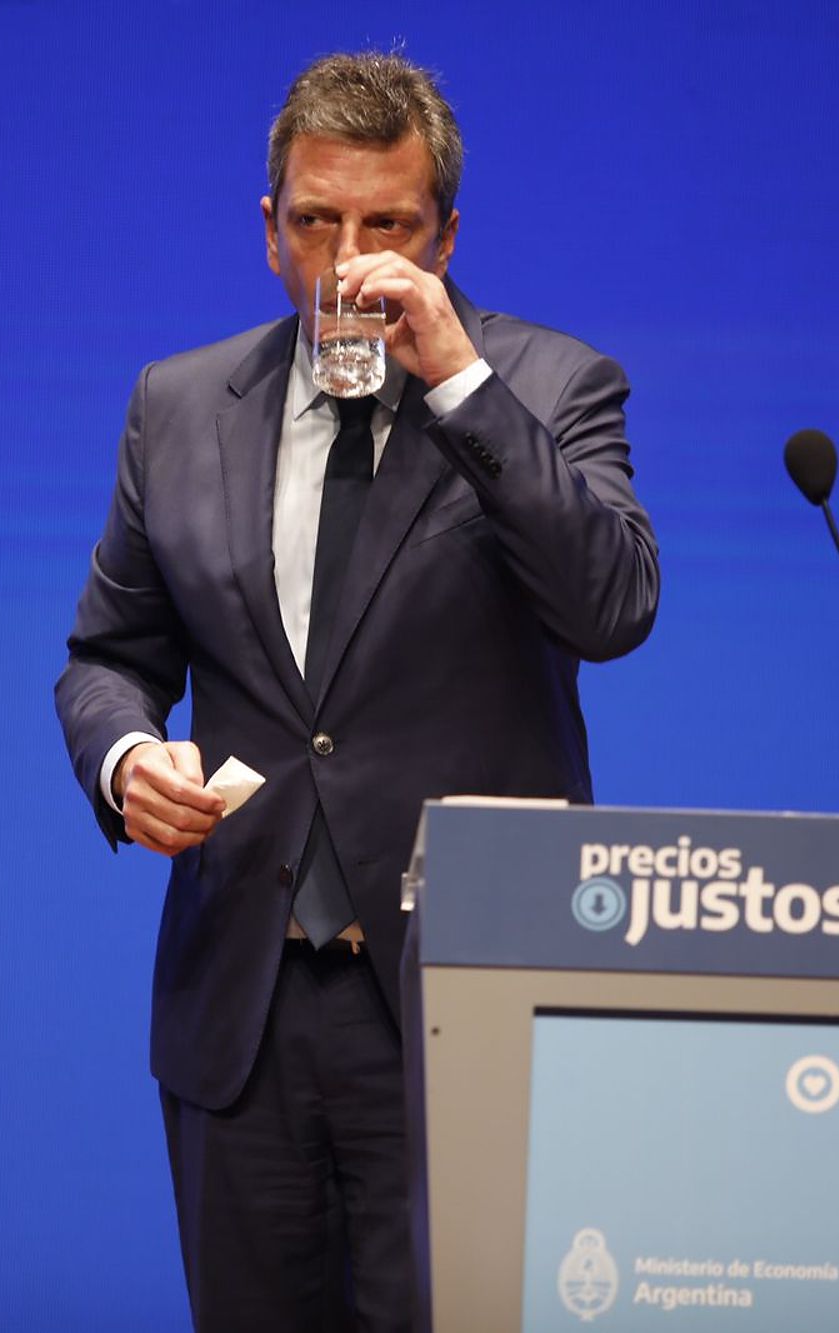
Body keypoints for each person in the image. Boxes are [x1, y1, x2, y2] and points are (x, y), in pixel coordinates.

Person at [56, 51, 659, 1332]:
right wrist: (124, 760)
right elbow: (109, 656)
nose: (347, 260)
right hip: (242, 1011)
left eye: (386, 224)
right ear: (268, 231)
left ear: (445, 236)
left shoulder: (551, 387)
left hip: (463, 999)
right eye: (316, 222)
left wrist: (459, 383)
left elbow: (610, 606)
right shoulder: (177, 406)